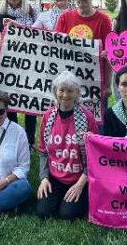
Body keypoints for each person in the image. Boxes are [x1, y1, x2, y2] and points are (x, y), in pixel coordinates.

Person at [36, 71, 98, 220]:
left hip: (79, 177)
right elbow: (43, 151)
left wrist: (80, 184)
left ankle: (85, 193)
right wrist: (44, 178)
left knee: (67, 214)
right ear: (55, 91)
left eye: (70, 91)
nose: (65, 95)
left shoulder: (87, 117)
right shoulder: (48, 116)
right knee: (44, 212)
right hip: (55, 177)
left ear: (77, 93)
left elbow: (94, 156)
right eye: (61, 90)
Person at [54, 0, 113, 120]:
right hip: (70, 82)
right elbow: (56, 48)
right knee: (70, 121)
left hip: (95, 82)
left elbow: (110, 54)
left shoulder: (103, 20)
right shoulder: (64, 18)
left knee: (96, 122)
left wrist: (107, 85)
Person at [0, 0, 39, 148]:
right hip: (9, 63)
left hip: (30, 64)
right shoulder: (0, 12)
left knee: (29, 102)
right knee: (10, 102)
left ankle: (30, 140)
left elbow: (41, 35)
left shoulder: (32, 11)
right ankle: (14, 138)